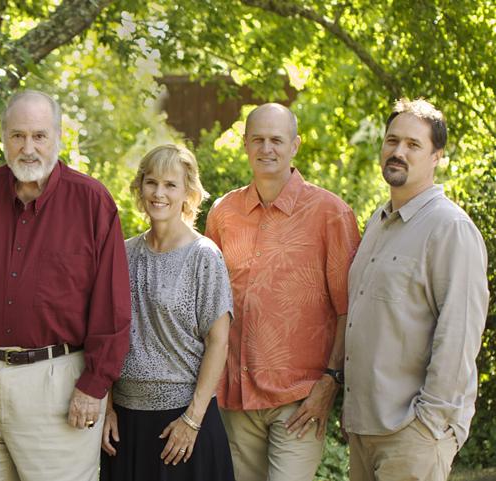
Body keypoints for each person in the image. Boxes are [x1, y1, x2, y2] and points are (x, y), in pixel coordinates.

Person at [0, 90, 131, 481]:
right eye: (18, 136)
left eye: (39, 136)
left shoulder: (92, 202)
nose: (28, 148)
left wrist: (94, 386)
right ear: (3, 137)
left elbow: (112, 307)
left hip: (58, 387)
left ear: (59, 137)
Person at [204, 103, 360, 481]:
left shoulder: (331, 214)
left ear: (295, 146)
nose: (266, 148)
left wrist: (330, 383)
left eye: (276, 139)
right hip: (236, 396)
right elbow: (208, 304)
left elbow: (348, 311)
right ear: (244, 144)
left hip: (300, 399)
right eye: (258, 139)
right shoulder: (223, 213)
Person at [342, 99, 488, 481]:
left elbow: (459, 335)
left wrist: (429, 423)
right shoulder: (378, 220)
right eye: (392, 141)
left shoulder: (449, 228)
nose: (398, 152)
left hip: (411, 434)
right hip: (364, 429)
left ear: (436, 156)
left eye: (413, 145)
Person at [101, 144, 234, 481]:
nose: (158, 193)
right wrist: (108, 408)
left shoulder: (205, 257)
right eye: (151, 182)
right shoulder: (123, 254)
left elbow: (218, 343)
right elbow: (107, 335)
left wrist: (192, 421)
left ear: (188, 194)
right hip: (126, 426)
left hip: (183, 424)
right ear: (140, 187)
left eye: (170, 185)